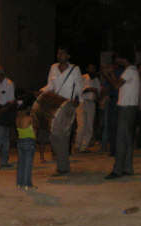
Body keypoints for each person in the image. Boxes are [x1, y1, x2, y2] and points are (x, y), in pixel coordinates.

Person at [39, 47, 83, 175]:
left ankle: (62, 167)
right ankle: (63, 164)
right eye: (58, 53)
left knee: (60, 135)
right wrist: (42, 91)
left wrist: (77, 100)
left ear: (68, 56)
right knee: (55, 135)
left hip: (68, 104)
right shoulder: (53, 68)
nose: (60, 55)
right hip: (55, 104)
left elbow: (79, 86)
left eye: (63, 53)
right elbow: (50, 85)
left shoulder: (75, 69)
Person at [104, 48, 140, 179]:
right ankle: (127, 168)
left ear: (124, 58)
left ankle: (117, 170)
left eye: (118, 57)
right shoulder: (133, 70)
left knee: (121, 139)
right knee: (127, 139)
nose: (116, 60)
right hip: (131, 107)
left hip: (126, 107)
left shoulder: (129, 71)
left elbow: (116, 85)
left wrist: (108, 74)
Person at [76, 63, 100, 153]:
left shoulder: (96, 80)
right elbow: (78, 91)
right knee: (81, 125)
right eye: (90, 68)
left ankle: (84, 147)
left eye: (93, 68)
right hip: (82, 102)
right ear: (87, 69)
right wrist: (88, 89)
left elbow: (98, 93)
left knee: (89, 126)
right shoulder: (83, 77)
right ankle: (77, 145)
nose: (92, 70)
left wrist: (96, 93)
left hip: (91, 103)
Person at [15, 96, 37, 191]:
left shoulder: (17, 118)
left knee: (21, 164)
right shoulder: (29, 118)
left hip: (20, 141)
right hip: (29, 141)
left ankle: (19, 183)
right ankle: (27, 184)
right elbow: (34, 131)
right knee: (28, 164)